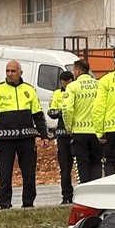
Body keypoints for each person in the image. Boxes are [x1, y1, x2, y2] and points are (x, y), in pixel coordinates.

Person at [0, 60, 50, 209]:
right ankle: (5, 205)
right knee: (5, 175)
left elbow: (38, 115)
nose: (9, 74)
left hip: (26, 139)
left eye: (13, 71)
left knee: (29, 174)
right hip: (5, 141)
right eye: (7, 71)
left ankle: (28, 204)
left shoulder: (29, 90)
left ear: (20, 72)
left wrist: (44, 135)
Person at [63, 58, 102, 184]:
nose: (73, 73)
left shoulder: (72, 87)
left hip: (79, 132)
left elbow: (67, 109)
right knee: (97, 162)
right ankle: (96, 190)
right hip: (97, 132)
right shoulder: (99, 85)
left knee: (82, 163)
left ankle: (85, 191)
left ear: (78, 70)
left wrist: (69, 127)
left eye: (74, 70)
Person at [46, 69, 75, 204]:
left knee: (81, 166)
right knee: (65, 167)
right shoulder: (57, 94)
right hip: (63, 135)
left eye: (68, 84)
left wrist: (61, 111)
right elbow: (51, 111)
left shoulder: (77, 91)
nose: (65, 87)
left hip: (77, 133)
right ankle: (66, 196)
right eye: (63, 84)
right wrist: (65, 111)